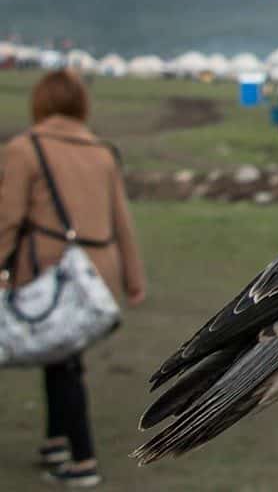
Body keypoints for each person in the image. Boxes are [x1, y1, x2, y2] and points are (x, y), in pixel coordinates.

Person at [0, 70, 147, 488]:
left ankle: (82, 460)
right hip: (98, 274)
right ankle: (56, 442)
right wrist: (134, 279)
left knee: (63, 362)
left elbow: (7, 219)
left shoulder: (25, 149)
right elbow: (123, 221)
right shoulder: (102, 151)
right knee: (60, 354)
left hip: (52, 274)